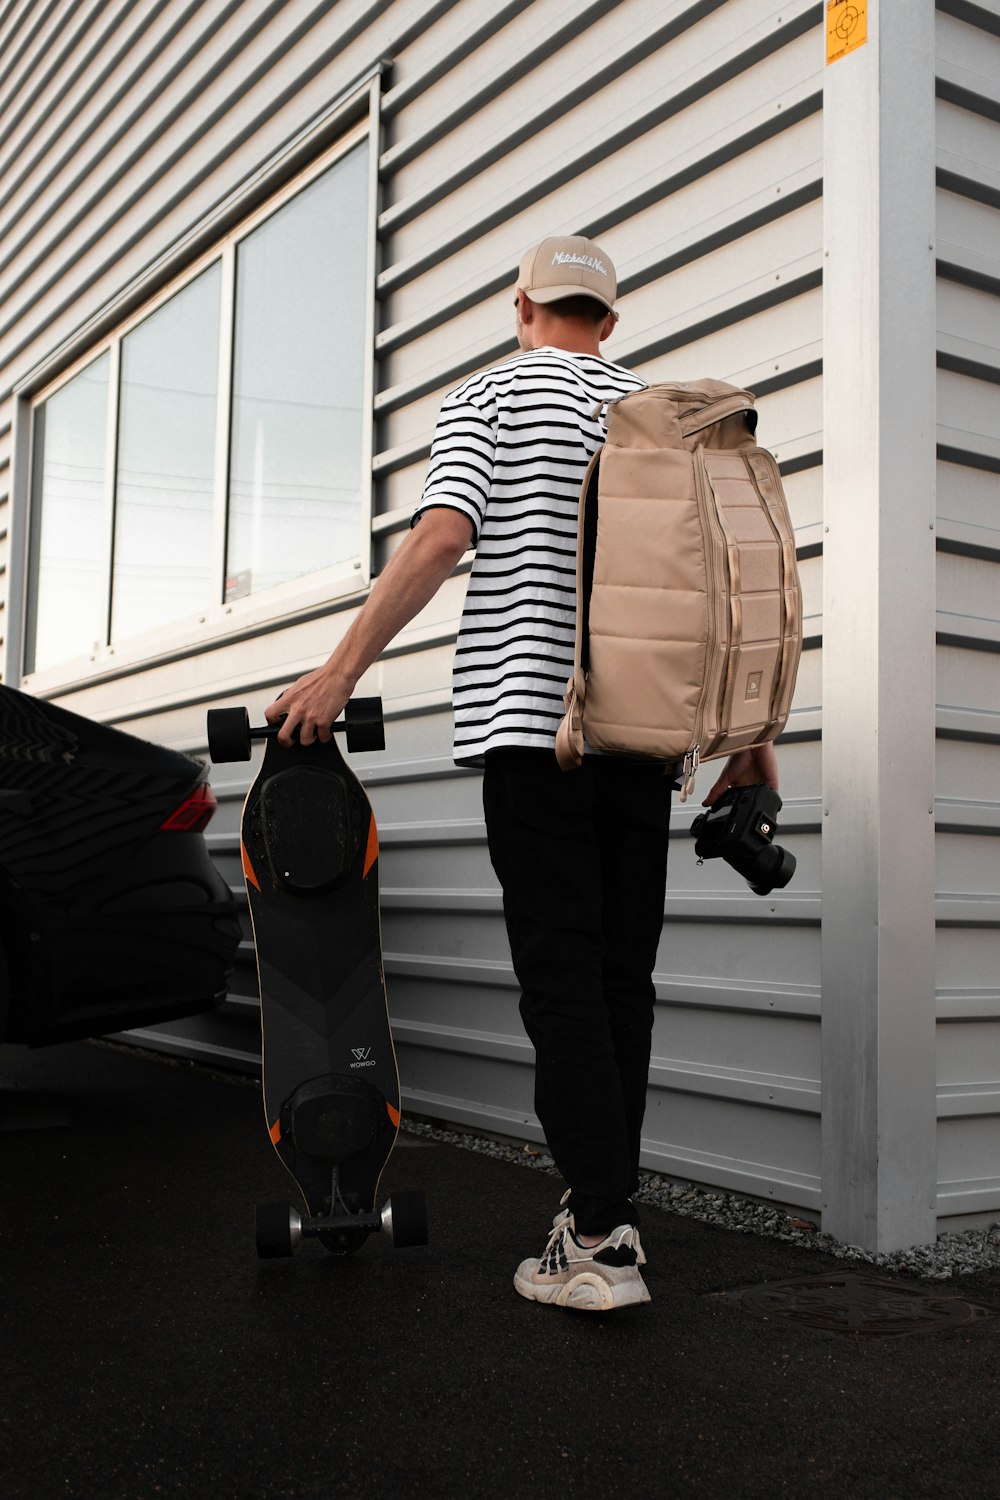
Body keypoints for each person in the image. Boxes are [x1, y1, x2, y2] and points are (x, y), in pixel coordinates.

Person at [264, 235, 779, 1313]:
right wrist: (751, 739)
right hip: (644, 740)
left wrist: (336, 671)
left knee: (561, 981)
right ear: (610, 315)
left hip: (532, 735)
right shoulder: (662, 413)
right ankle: (607, 1215)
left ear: (522, 305)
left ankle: (594, 1238)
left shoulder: (491, 398)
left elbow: (443, 537)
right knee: (617, 983)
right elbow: (726, 590)